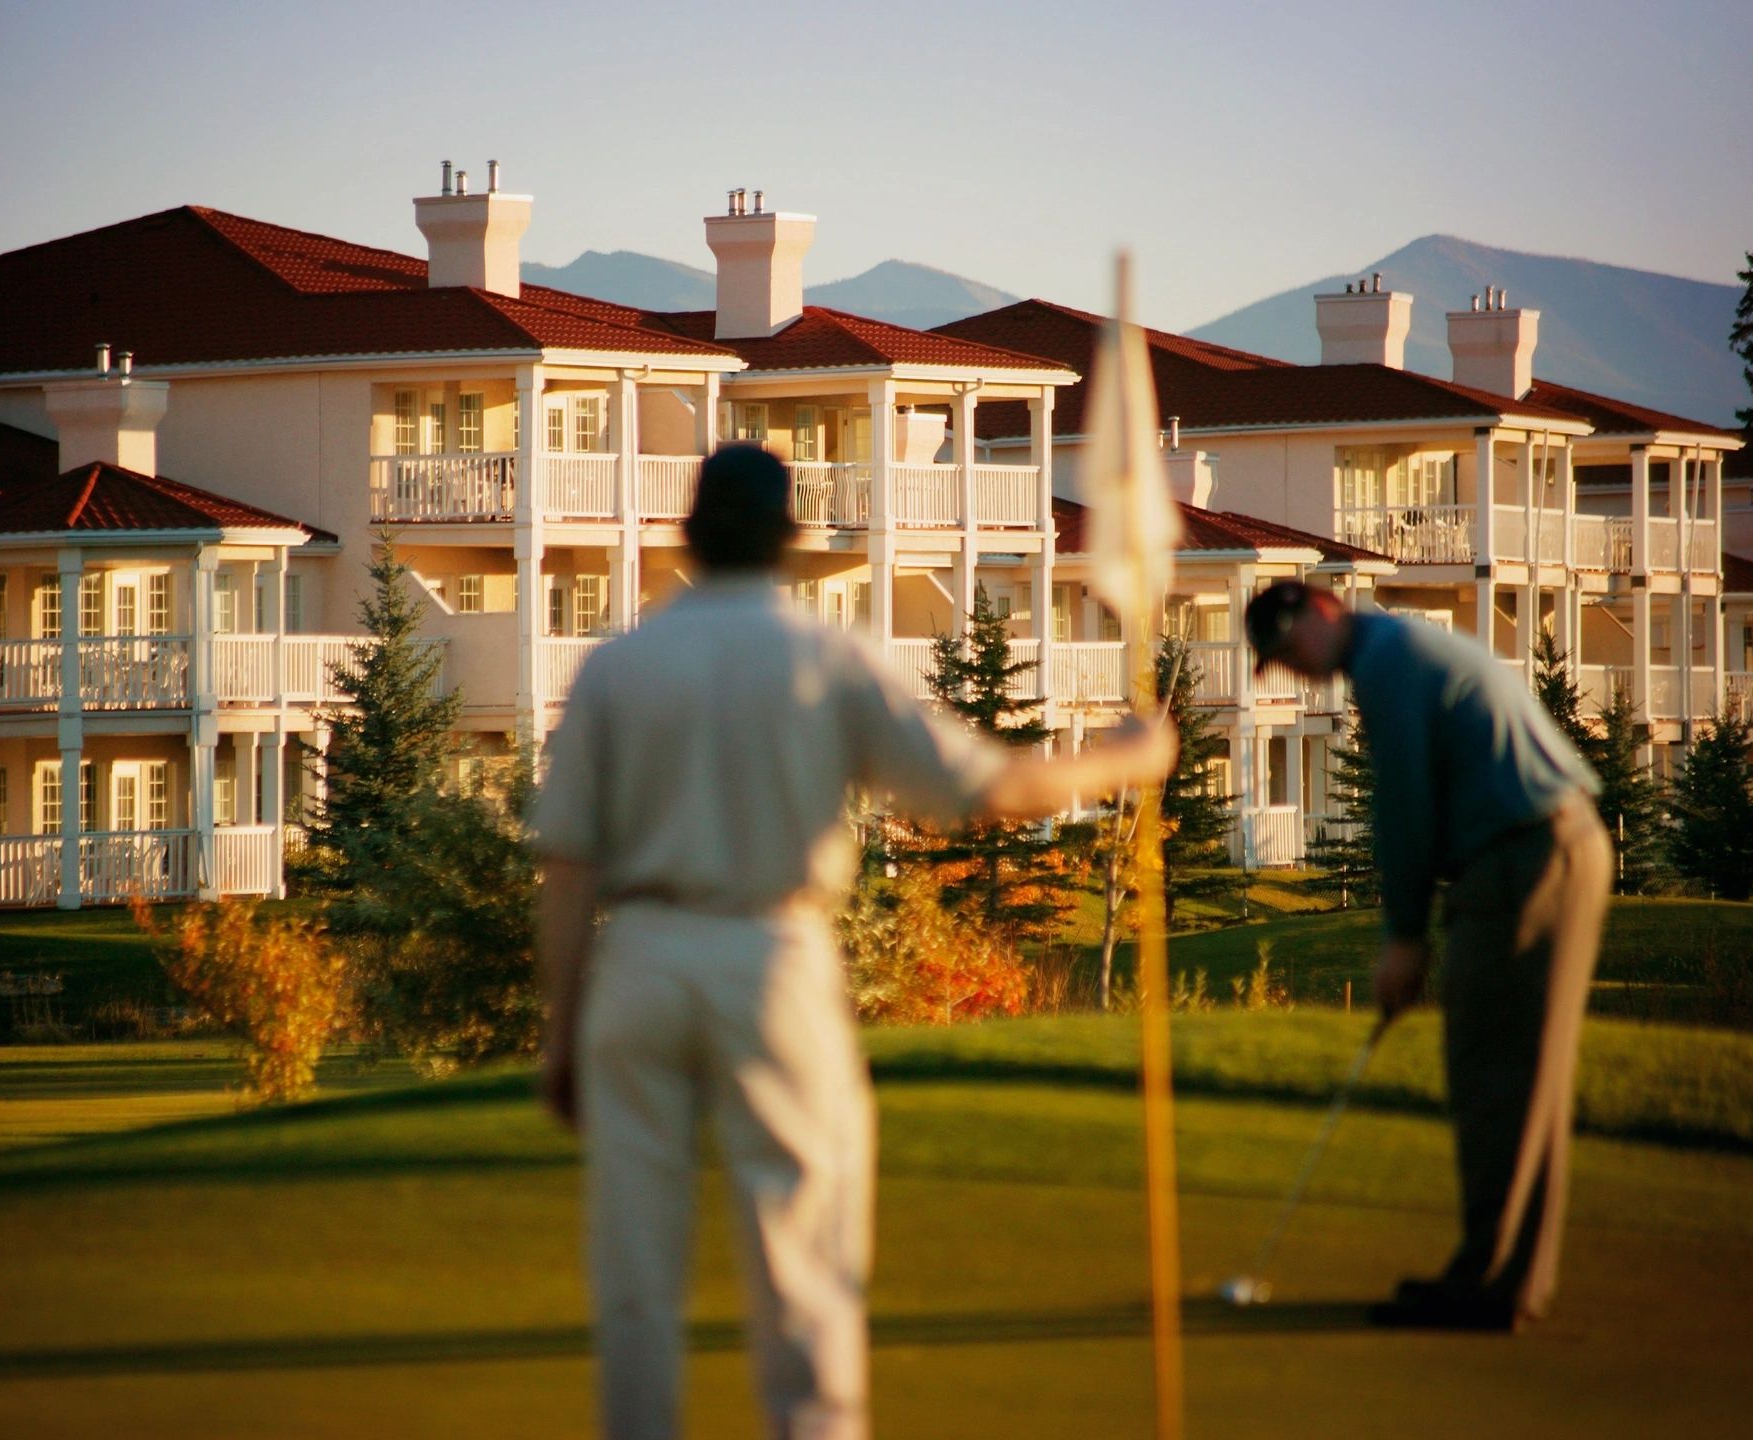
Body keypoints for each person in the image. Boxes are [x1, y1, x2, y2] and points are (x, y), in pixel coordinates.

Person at [532, 444, 1176, 1439]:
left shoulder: (617, 665)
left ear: (691, 538)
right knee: (806, 1257)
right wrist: (1118, 763)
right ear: (789, 542)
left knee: (634, 1275)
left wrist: (561, 1029)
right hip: (770, 954)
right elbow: (977, 791)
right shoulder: (825, 656)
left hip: (641, 956)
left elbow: (568, 867)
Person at [1245, 580, 1612, 1332]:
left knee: (1496, 1070)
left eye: (1289, 653)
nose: (1293, 671)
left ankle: (1489, 1282)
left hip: (1527, 856)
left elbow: (1404, 805)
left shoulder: (1389, 664)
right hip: (1542, 848)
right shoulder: (1396, 649)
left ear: (1321, 612)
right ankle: (1499, 1278)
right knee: (1515, 1074)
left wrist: (1404, 938)